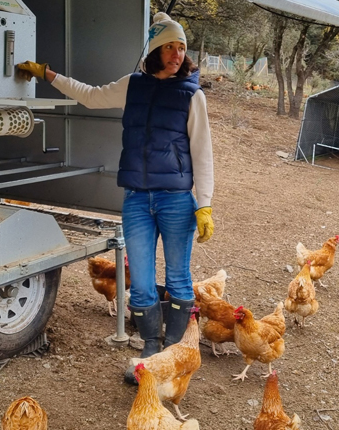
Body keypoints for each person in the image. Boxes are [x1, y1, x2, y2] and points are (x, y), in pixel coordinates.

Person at [16, 13, 214, 385]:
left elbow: (203, 152)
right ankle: (150, 351)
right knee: (138, 282)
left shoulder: (192, 94)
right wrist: (48, 74)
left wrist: (204, 203)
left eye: (182, 47)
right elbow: (90, 97)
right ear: (155, 50)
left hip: (176, 200)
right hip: (138, 199)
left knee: (178, 278)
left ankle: (173, 354)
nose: (177, 53)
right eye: (169, 46)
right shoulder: (132, 85)